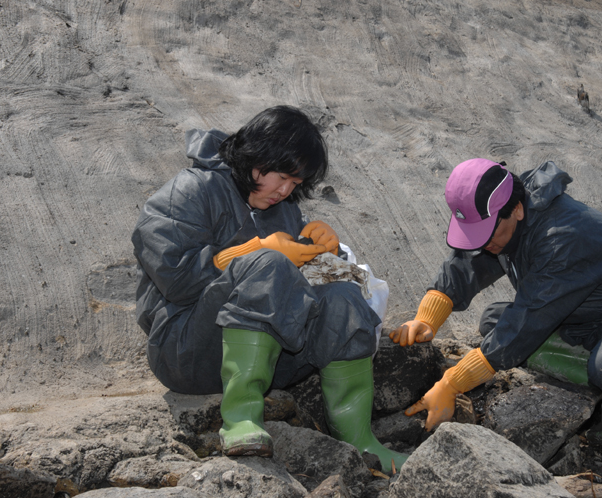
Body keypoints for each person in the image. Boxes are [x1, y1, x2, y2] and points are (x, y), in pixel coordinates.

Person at [132, 105, 407, 472]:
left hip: (271, 360)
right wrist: (253, 252)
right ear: (256, 157)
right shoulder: (190, 191)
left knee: (342, 292)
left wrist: (329, 251)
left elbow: (304, 287)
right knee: (269, 264)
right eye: (282, 177)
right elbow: (175, 280)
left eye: (296, 184)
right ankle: (241, 420)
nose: (285, 191)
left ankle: (359, 439)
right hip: (185, 351)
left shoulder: (284, 209)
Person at [390, 158, 602, 444]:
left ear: (516, 209)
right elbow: (465, 265)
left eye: (487, 233)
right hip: (590, 319)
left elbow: (528, 320)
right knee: (494, 323)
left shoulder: (562, 236)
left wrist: (453, 382)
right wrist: (426, 317)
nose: (482, 244)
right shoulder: (508, 219)